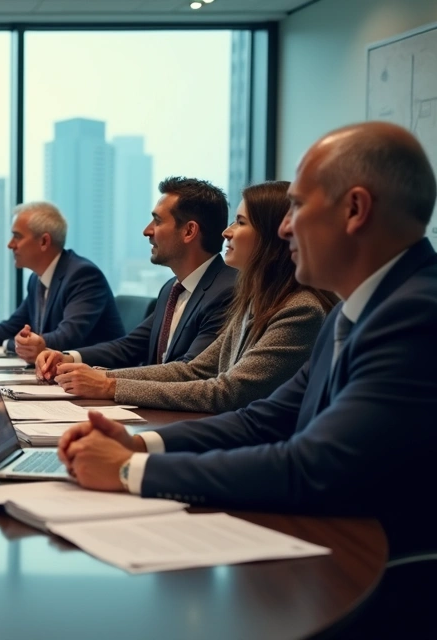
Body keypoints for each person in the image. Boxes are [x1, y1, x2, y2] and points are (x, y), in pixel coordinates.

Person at [57, 122, 437, 564]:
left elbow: (310, 465)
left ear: (355, 210)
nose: (285, 229)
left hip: (380, 575)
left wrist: (129, 470)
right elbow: (263, 420)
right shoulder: (353, 310)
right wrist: (138, 445)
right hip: (329, 545)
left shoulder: (415, 315)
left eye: (296, 206)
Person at [50, 181, 337, 413]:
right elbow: (195, 370)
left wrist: (109, 386)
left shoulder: (300, 310)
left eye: (240, 222)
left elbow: (228, 392)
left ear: (273, 238)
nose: (227, 231)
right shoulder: (253, 302)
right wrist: (102, 377)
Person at [36, 177, 239, 376]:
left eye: (157, 221)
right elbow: (128, 347)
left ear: (189, 231)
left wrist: (103, 380)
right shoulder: (172, 288)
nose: (147, 231)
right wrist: (68, 358)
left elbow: (188, 372)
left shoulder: (228, 291)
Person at [0, 202, 123, 356]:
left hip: (95, 384)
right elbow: (12, 327)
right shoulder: (36, 279)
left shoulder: (83, 275)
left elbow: (66, 338)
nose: (10, 245)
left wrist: (11, 344)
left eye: (17, 237)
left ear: (44, 241)